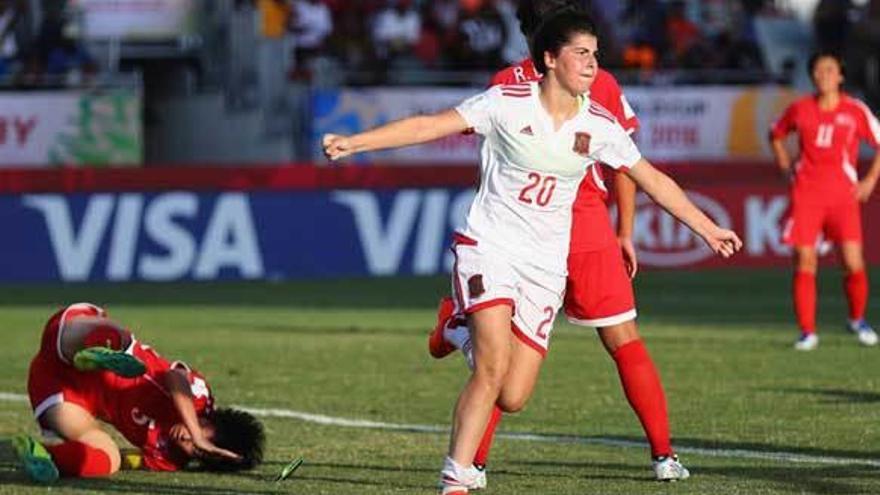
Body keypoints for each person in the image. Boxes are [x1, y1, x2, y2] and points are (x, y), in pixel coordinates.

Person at [323, 12, 741, 494]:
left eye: (595, 53)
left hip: (545, 266)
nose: (592, 63)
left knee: (514, 394)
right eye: (581, 53)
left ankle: (457, 329)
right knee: (492, 369)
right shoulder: (506, 102)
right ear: (549, 58)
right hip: (491, 247)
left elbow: (653, 180)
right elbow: (428, 126)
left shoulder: (598, 124)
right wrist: (356, 142)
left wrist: (708, 228)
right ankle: (456, 478)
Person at [427, 0, 686, 488]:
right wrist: (624, 228)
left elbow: (626, 160)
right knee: (616, 341)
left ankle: (475, 460)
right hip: (565, 227)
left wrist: (624, 229)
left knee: (512, 361)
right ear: (551, 41)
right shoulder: (571, 79)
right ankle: (663, 456)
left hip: (570, 228)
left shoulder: (563, 75)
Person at [13, 303, 265, 484]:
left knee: (108, 457)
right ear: (211, 420)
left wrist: (121, 459)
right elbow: (175, 377)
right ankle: (95, 355)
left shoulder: (169, 458)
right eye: (202, 440)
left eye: (198, 454)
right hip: (73, 336)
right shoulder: (199, 398)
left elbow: (133, 459)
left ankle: (42, 455)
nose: (191, 445)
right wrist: (198, 435)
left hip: (59, 389)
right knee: (119, 337)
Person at [770, 51, 880, 351]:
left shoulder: (855, 111)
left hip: (843, 196)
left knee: (853, 262)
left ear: (840, 76)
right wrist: (783, 163)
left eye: (830, 70)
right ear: (812, 76)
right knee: (805, 261)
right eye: (818, 70)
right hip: (806, 193)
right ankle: (807, 331)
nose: (824, 75)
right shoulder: (800, 109)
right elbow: (775, 132)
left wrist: (869, 180)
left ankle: (857, 319)